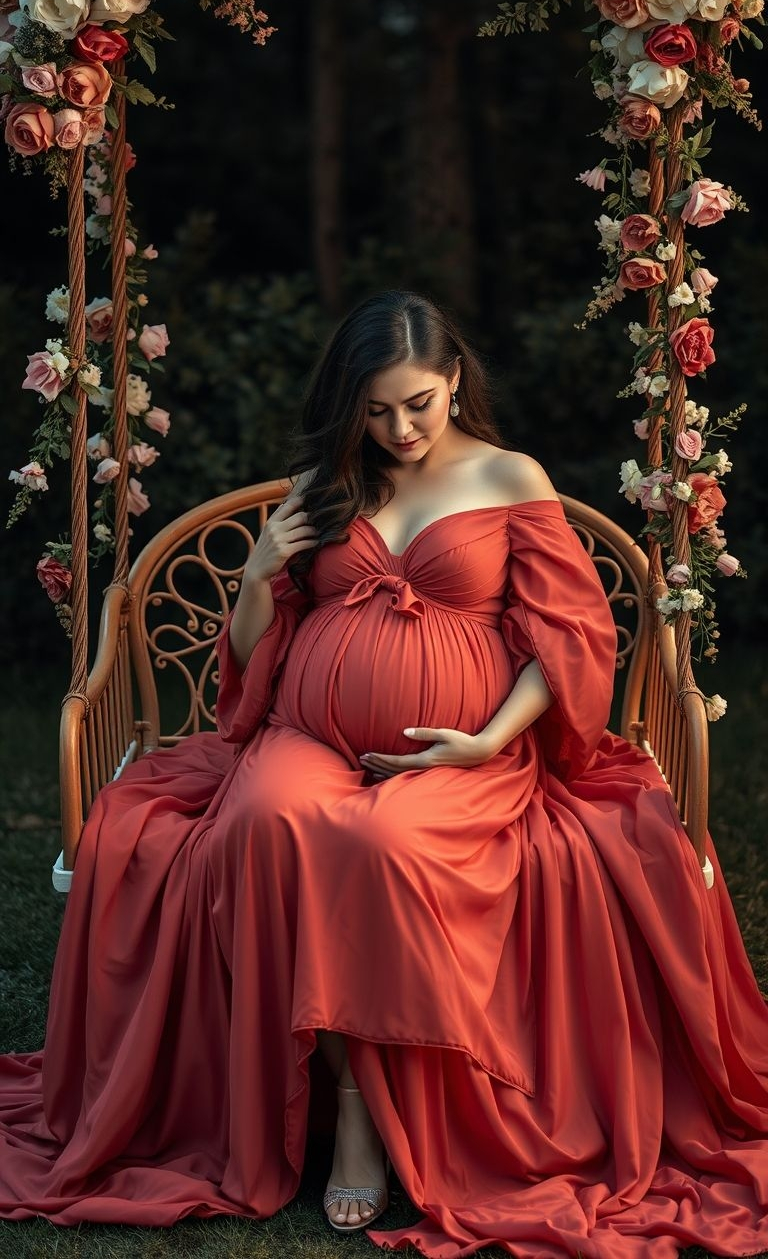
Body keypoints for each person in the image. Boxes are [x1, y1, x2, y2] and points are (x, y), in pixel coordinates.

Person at [0, 289, 767, 1258]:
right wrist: (254, 577)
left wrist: (486, 740)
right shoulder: (327, 482)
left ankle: (365, 1113)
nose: (399, 429)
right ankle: (345, 1099)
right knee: (262, 822)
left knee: (382, 840)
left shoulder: (507, 476)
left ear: (453, 380)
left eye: (417, 404)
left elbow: (570, 634)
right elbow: (257, 651)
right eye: (375, 410)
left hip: (464, 751)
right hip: (308, 736)